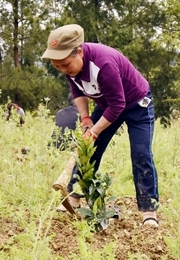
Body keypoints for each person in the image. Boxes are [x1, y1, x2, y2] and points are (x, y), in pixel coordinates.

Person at [42, 24, 159, 227]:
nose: (62, 69)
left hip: (137, 104)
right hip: (108, 104)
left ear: (79, 52)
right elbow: (77, 92)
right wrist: (86, 119)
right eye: (57, 66)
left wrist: (94, 131)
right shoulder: (68, 66)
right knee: (89, 150)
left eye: (65, 65)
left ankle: (149, 211)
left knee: (141, 153)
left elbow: (118, 105)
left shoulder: (103, 64)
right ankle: (74, 197)